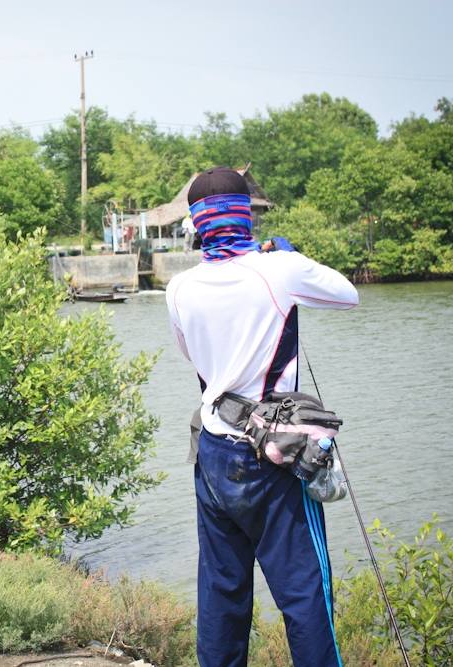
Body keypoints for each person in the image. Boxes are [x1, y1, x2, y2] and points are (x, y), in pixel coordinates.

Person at [166, 167, 359, 666]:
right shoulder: (278, 270)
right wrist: (292, 256)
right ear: (245, 214)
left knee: (221, 593)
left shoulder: (180, 287)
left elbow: (192, 356)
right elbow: (347, 294)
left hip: (212, 451)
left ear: (198, 224)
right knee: (305, 596)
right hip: (271, 455)